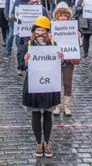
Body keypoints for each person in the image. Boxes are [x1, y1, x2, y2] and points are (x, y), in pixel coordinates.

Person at [22, 16, 62, 158]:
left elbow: (59, 66)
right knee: (36, 113)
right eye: (38, 30)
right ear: (34, 31)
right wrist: (25, 61)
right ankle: (39, 142)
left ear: (47, 32)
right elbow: (21, 66)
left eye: (43, 30)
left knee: (48, 114)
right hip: (34, 84)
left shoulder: (53, 44)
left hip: (49, 84)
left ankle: (47, 142)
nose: (40, 33)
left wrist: (61, 59)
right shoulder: (28, 45)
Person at [53, 2, 78, 117]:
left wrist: (78, 37)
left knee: (67, 82)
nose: (62, 17)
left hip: (68, 60)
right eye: (60, 15)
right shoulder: (52, 29)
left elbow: (78, 45)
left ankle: (66, 106)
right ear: (56, 16)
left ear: (68, 16)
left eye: (64, 15)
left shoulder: (73, 29)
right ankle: (57, 105)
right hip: (56, 60)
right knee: (56, 83)